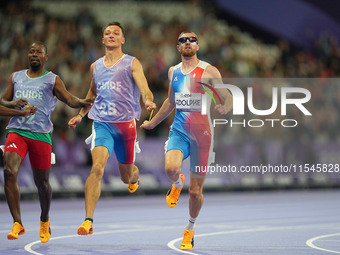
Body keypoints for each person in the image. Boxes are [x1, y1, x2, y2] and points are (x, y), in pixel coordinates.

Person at [141, 32, 232, 250]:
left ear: (198, 45)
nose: (187, 42)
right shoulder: (173, 72)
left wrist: (225, 106)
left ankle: (190, 229)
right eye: (183, 40)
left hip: (202, 135)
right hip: (180, 131)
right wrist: (153, 124)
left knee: (195, 192)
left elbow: (226, 95)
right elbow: (171, 102)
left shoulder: (209, 70)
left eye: (191, 39)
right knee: (171, 168)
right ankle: (176, 183)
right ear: (178, 47)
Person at [68, 21, 156, 236]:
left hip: (126, 126)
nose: (111, 35)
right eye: (107, 33)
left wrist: (148, 101)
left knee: (126, 176)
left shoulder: (131, 63)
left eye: (116, 33)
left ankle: (134, 177)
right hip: (102, 124)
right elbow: (91, 95)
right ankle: (88, 221)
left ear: (122, 39)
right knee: (97, 168)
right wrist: (80, 115)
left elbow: (145, 88)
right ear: (103, 39)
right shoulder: (95, 66)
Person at [1, 41, 93, 243]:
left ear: (45, 57)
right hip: (17, 131)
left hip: (41, 134)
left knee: (42, 184)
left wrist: (84, 102)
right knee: (9, 171)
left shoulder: (52, 80)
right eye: (31, 51)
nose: (34, 54)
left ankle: (44, 219)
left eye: (38, 52)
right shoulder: (16, 77)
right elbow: (2, 102)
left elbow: (69, 99)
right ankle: (18, 223)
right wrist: (15, 107)